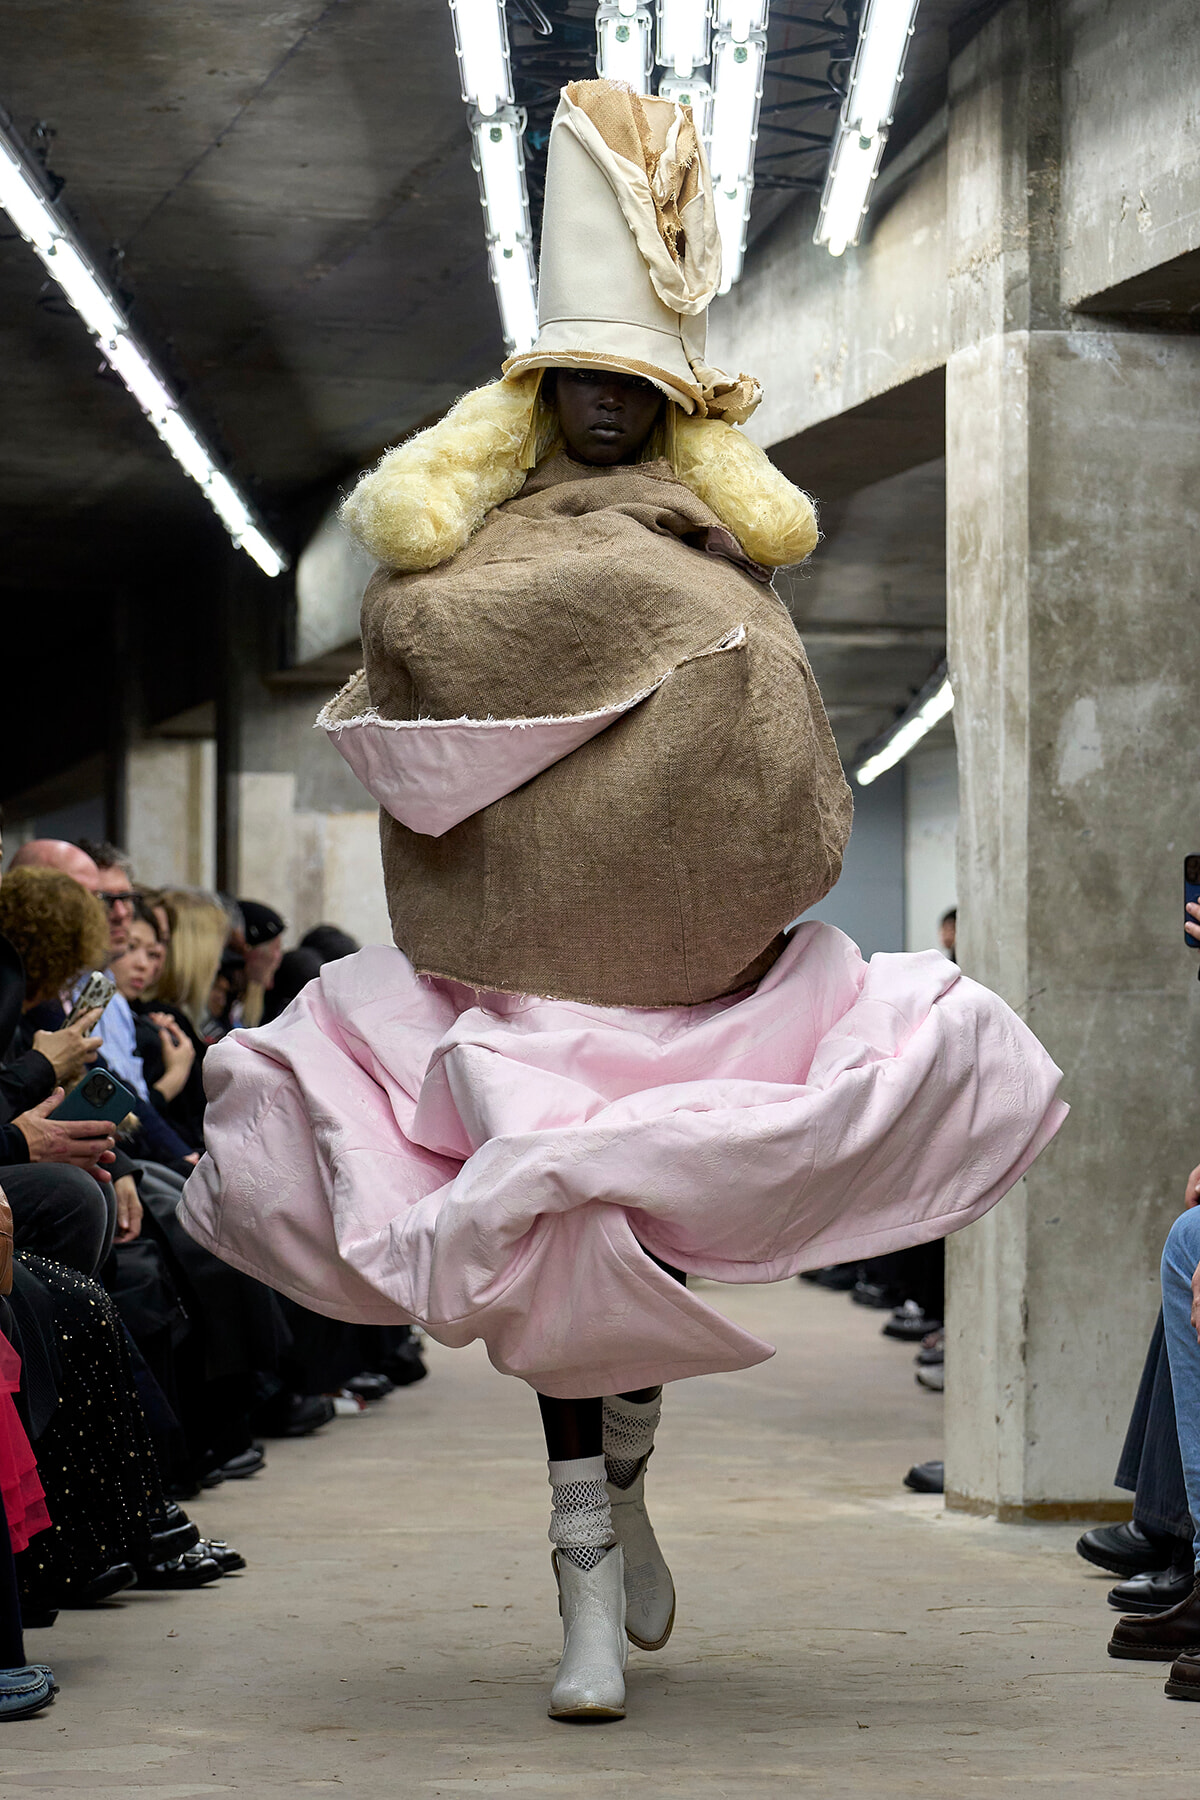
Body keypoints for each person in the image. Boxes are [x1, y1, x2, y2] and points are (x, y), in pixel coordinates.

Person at [181, 80, 1066, 1723]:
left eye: (637, 384)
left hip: (677, 985)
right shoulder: (470, 563)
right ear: (539, 394)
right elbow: (430, 669)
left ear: (674, 410)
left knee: (628, 1240)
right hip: (517, 988)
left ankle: (629, 1483)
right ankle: (583, 1560)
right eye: (585, 377)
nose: (607, 404)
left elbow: (770, 745)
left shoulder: (718, 564)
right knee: (562, 1233)